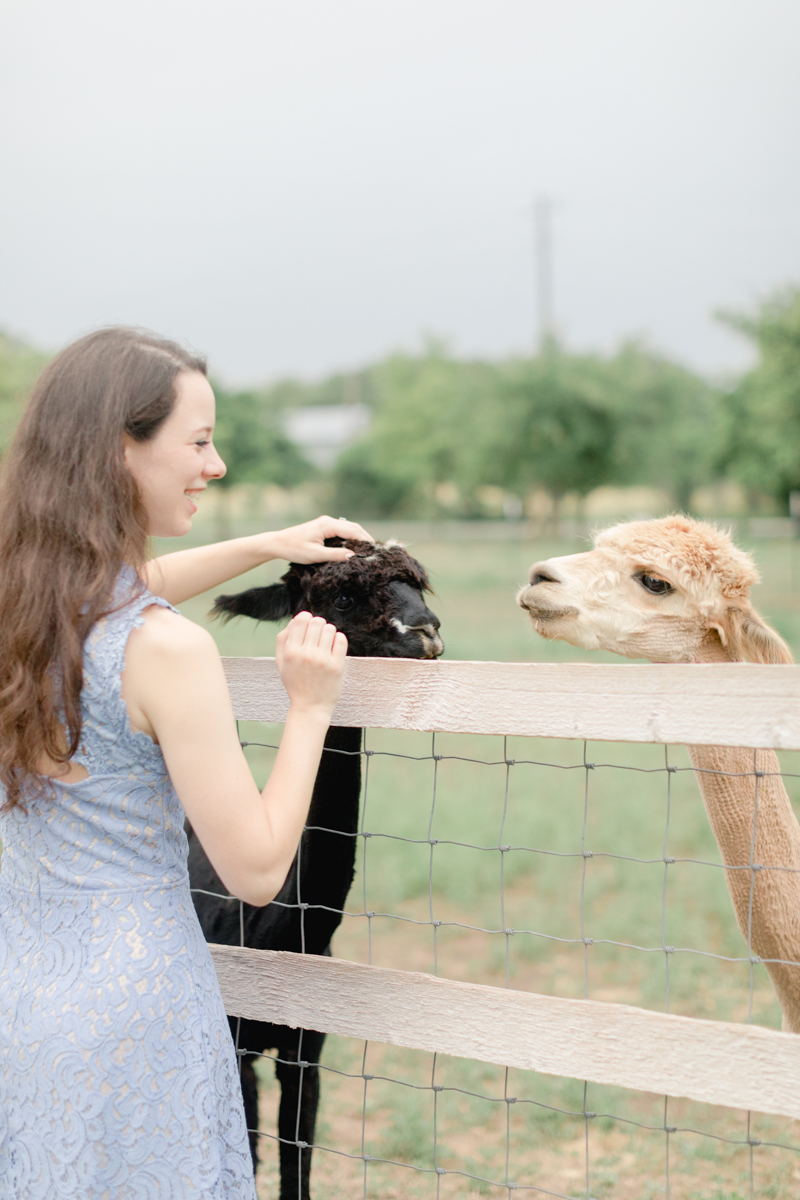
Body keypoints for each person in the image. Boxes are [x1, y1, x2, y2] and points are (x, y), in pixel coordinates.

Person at [0, 327, 372, 1198]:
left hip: (20, 1000)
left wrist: (265, 545)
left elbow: (118, 586)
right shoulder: (167, 650)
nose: (219, 465)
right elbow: (254, 868)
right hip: (139, 1020)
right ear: (119, 450)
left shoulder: (22, 613)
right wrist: (311, 708)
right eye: (199, 442)